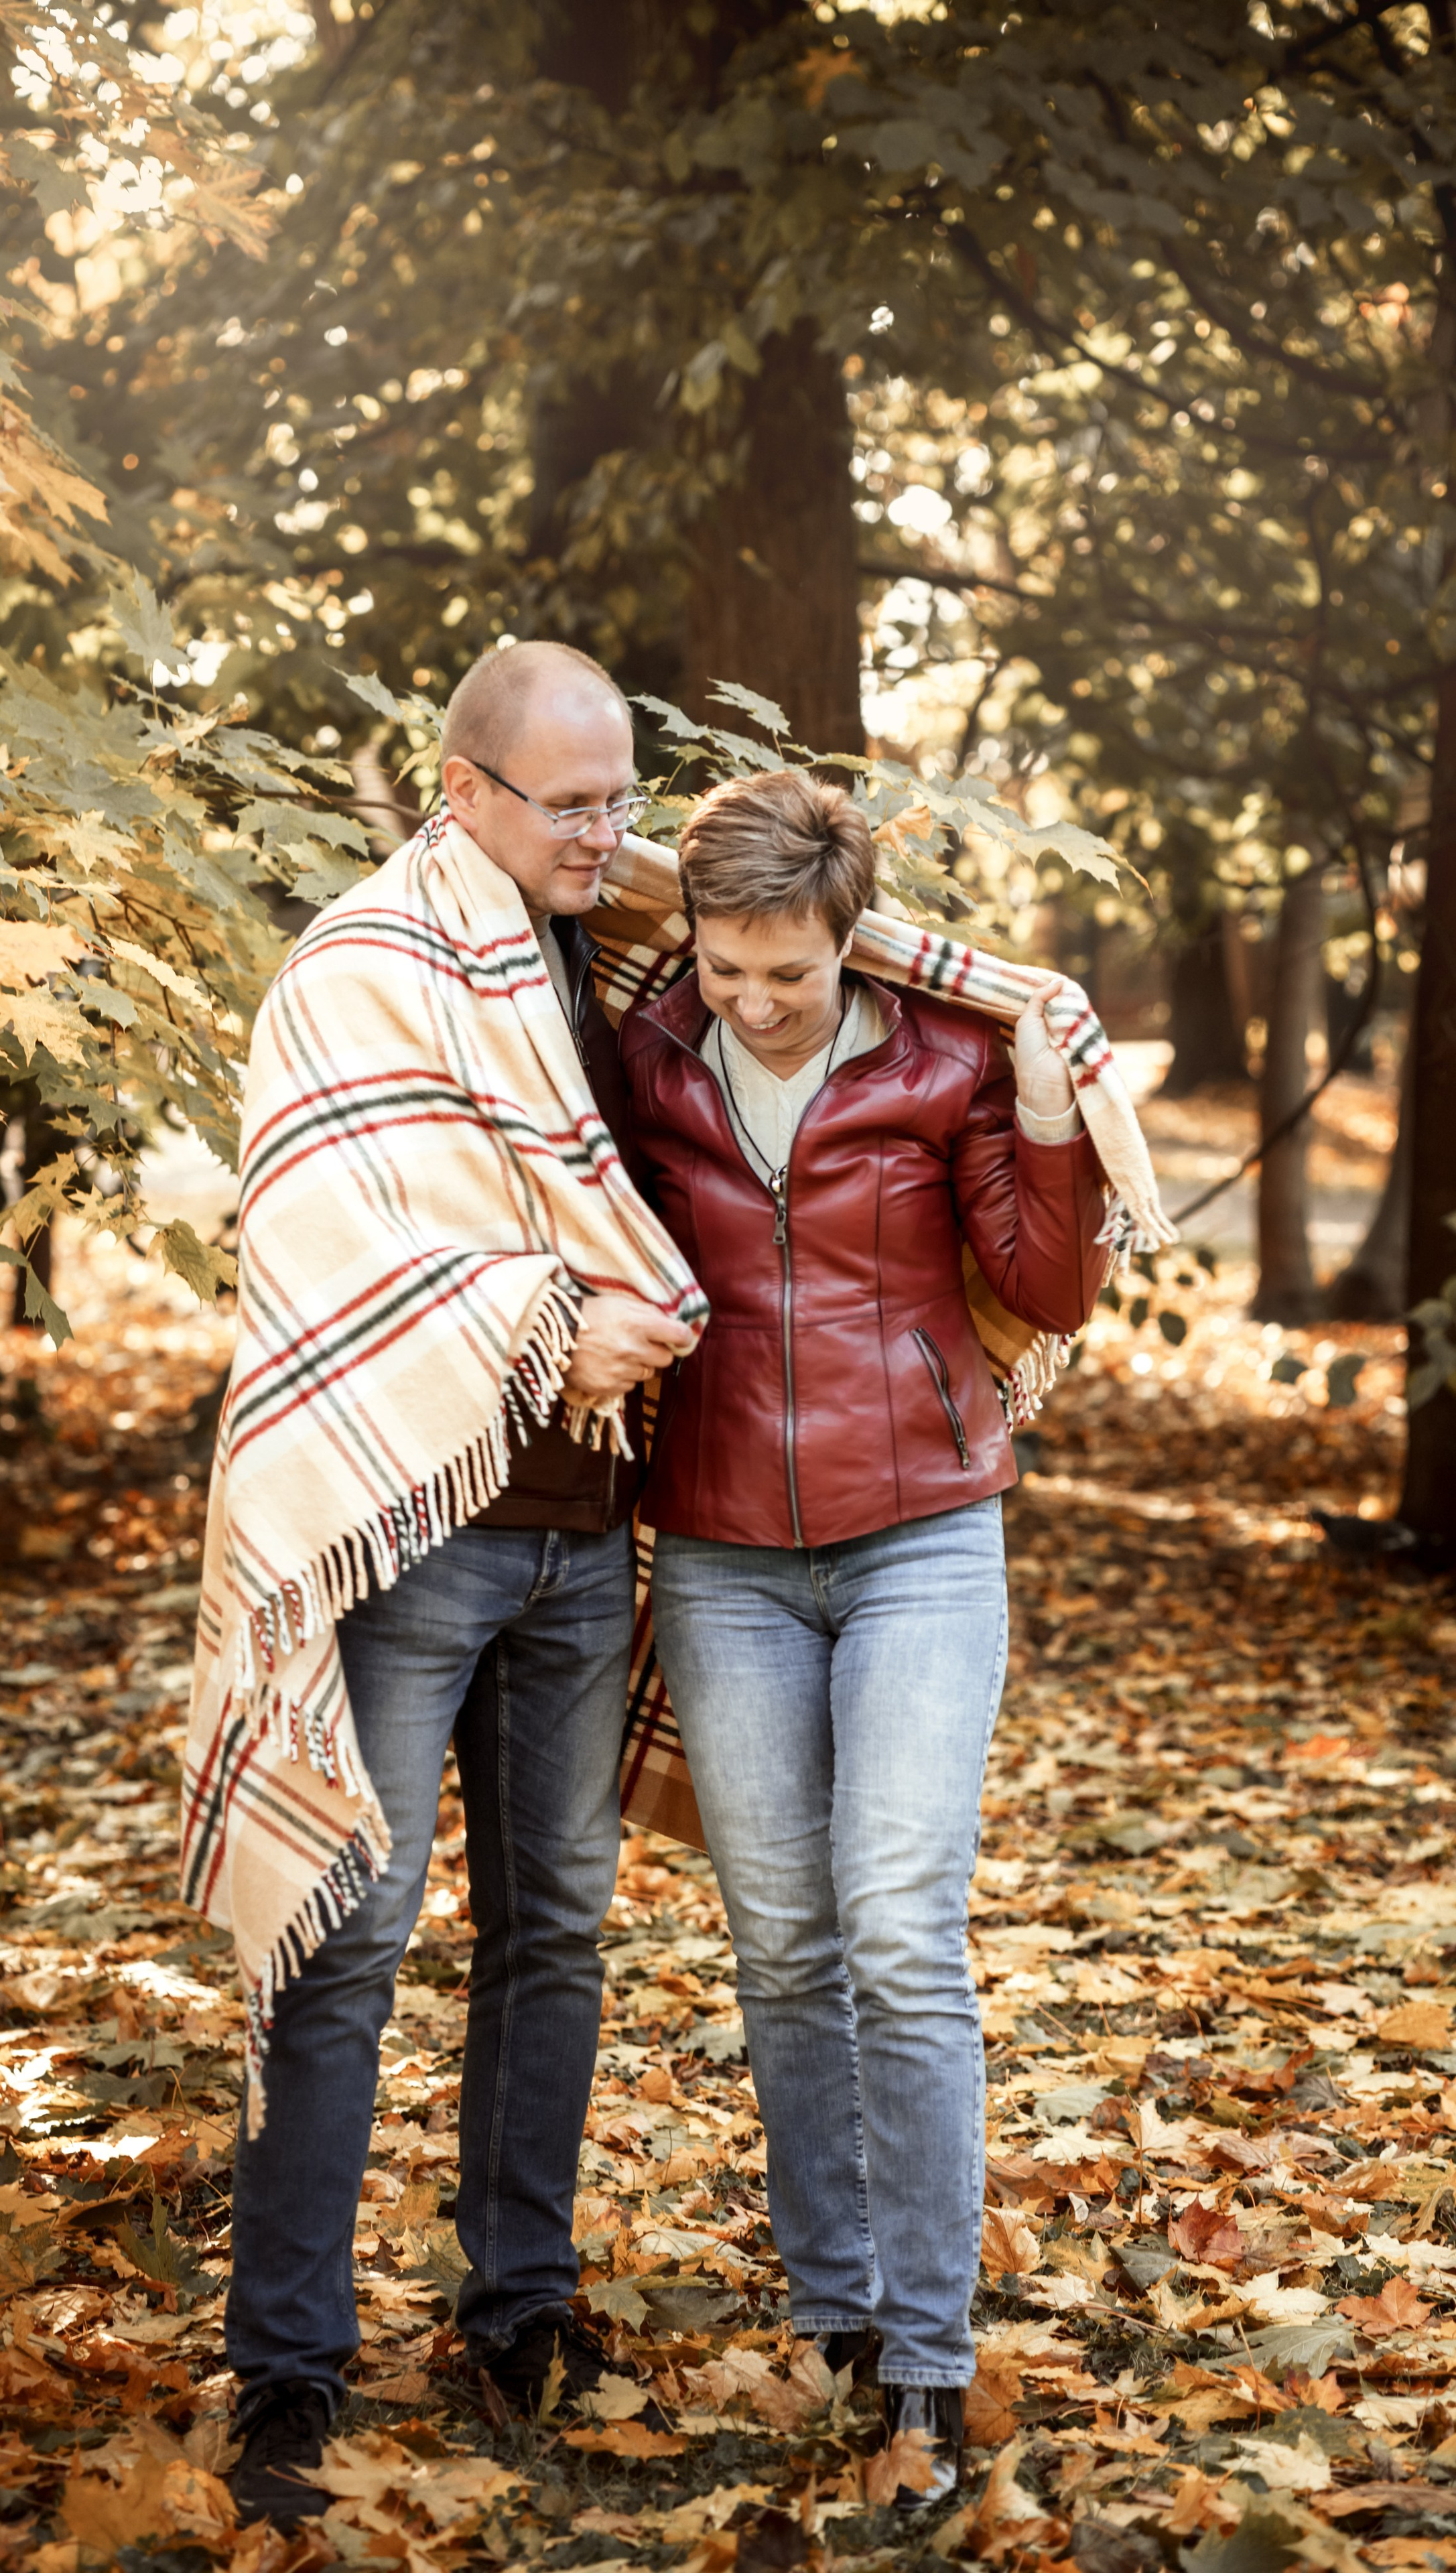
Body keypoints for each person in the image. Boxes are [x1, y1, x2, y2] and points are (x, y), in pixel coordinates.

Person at [209, 643, 702, 2528]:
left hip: (584, 1531)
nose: (604, 833)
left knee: (556, 1928)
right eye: (569, 803)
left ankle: (514, 2311)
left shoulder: (628, 944)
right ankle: (286, 2369)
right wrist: (550, 1316)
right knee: (351, 1930)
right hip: (415, 1522)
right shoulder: (364, 967)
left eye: (620, 798)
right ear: (460, 786)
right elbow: (337, 1229)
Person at [620, 768, 1107, 2503]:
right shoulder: (647, 1055)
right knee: (785, 1949)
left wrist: (1042, 1107)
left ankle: (927, 2355)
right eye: (727, 968)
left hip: (923, 1541)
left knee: (902, 1933)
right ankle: (836, 2311)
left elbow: (1047, 1290)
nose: (754, 1002)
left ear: (853, 943)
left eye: (791, 975)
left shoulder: (941, 1061)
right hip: (725, 1553)